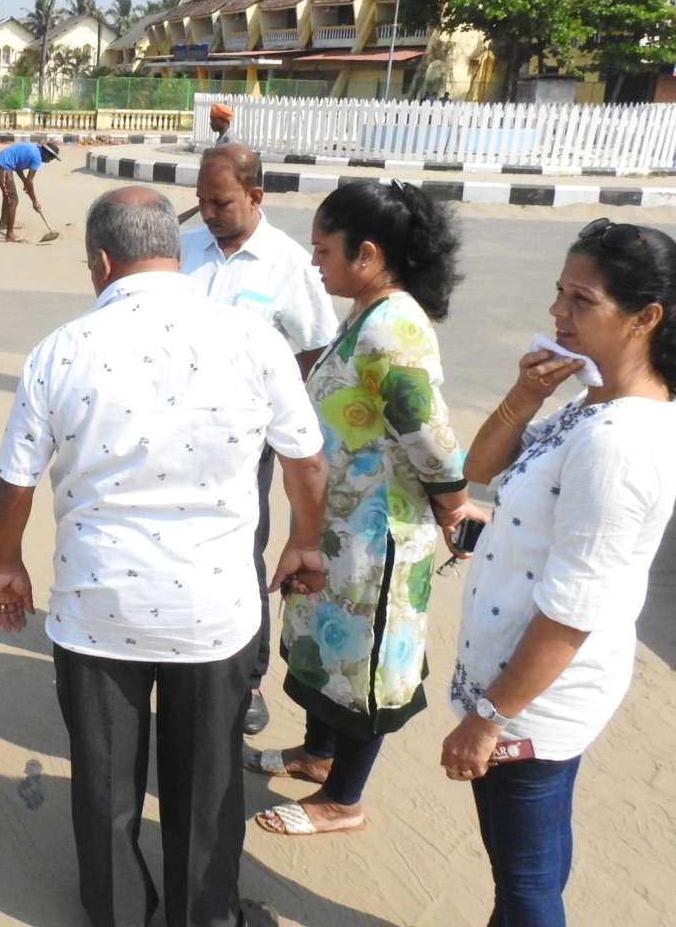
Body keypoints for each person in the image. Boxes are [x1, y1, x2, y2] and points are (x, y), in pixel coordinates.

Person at [0, 185, 327, 927]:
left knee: (106, 781)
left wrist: (7, 564)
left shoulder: (61, 350)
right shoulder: (254, 340)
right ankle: (204, 914)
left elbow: (16, 477)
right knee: (207, 781)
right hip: (213, 608)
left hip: (95, 608)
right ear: (174, 256)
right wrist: (303, 542)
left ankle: (117, 912)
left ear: (101, 261)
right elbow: (304, 462)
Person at [443, 219, 676, 926]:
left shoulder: (621, 444)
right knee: (529, 865)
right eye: (558, 294)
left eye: (582, 301)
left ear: (646, 319)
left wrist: (487, 719)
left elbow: (575, 607)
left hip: (533, 702)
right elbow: (477, 473)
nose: (557, 315)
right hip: (520, 686)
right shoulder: (590, 402)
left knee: (526, 883)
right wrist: (522, 399)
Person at [251, 180, 479, 837]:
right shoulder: (368, 315)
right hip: (339, 528)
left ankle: (343, 800)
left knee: (363, 667)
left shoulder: (395, 328)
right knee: (326, 647)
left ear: (369, 253)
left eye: (324, 250)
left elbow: (429, 435)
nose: (314, 262)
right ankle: (317, 756)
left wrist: (455, 509)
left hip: (375, 538)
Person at [177, 144, 339, 736]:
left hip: (247, 441)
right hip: (174, 432)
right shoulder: (183, 250)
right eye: (200, 202)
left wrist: (273, 402)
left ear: (255, 197)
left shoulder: (289, 265)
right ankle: (179, 652)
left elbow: (318, 344)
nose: (208, 213)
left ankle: (246, 680)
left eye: (220, 202)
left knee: (243, 548)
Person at [0, 140, 60, 243]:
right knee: (13, 200)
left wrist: (24, 181)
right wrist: (34, 201)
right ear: (46, 153)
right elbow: (30, 181)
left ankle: (3, 221)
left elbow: (18, 166)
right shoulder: (37, 158)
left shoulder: (33, 148)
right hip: (2, 166)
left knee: (8, 196)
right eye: (50, 158)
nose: (49, 161)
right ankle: (10, 235)